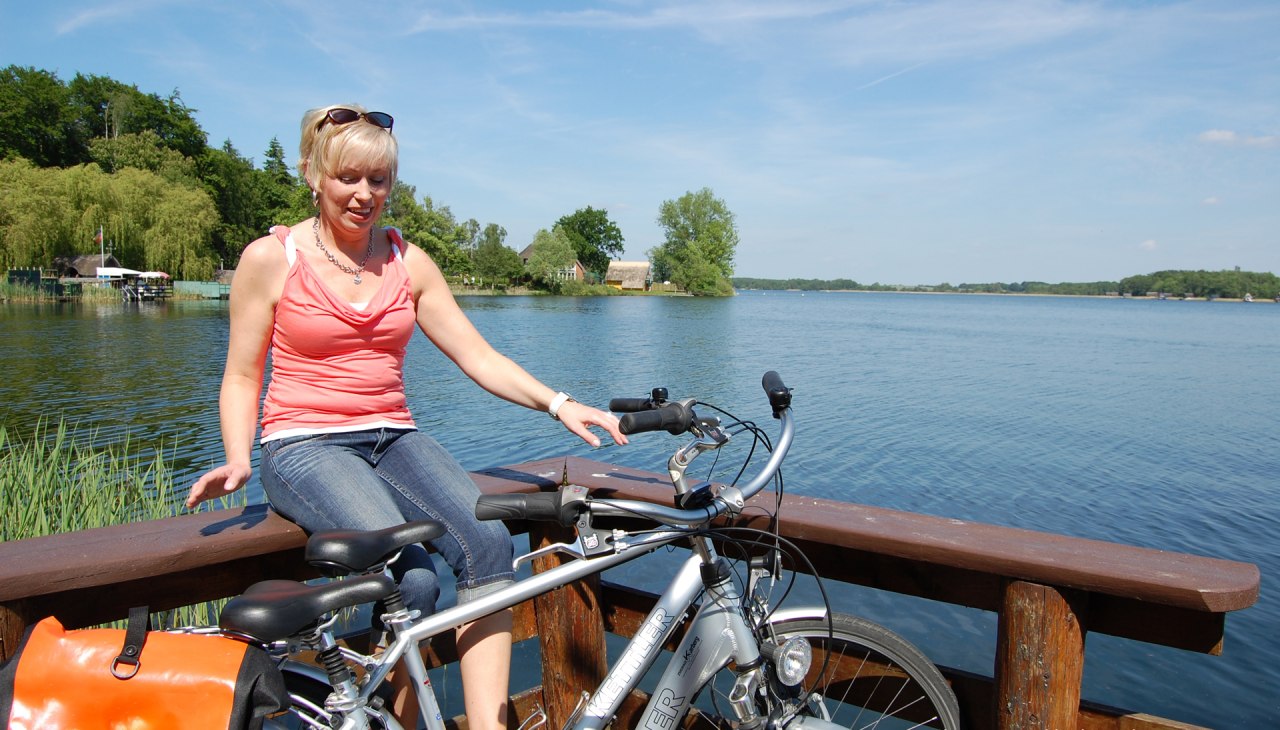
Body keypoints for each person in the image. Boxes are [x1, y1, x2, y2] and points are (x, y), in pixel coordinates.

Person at [186, 103, 627, 730]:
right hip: (303, 445)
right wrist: (236, 455)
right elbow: (241, 374)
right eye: (348, 178)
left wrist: (561, 403)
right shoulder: (272, 258)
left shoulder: (406, 261)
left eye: (379, 180)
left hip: (393, 436)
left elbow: (478, 355)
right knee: (410, 577)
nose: (364, 195)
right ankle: (396, 717)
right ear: (313, 175)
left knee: (488, 543)